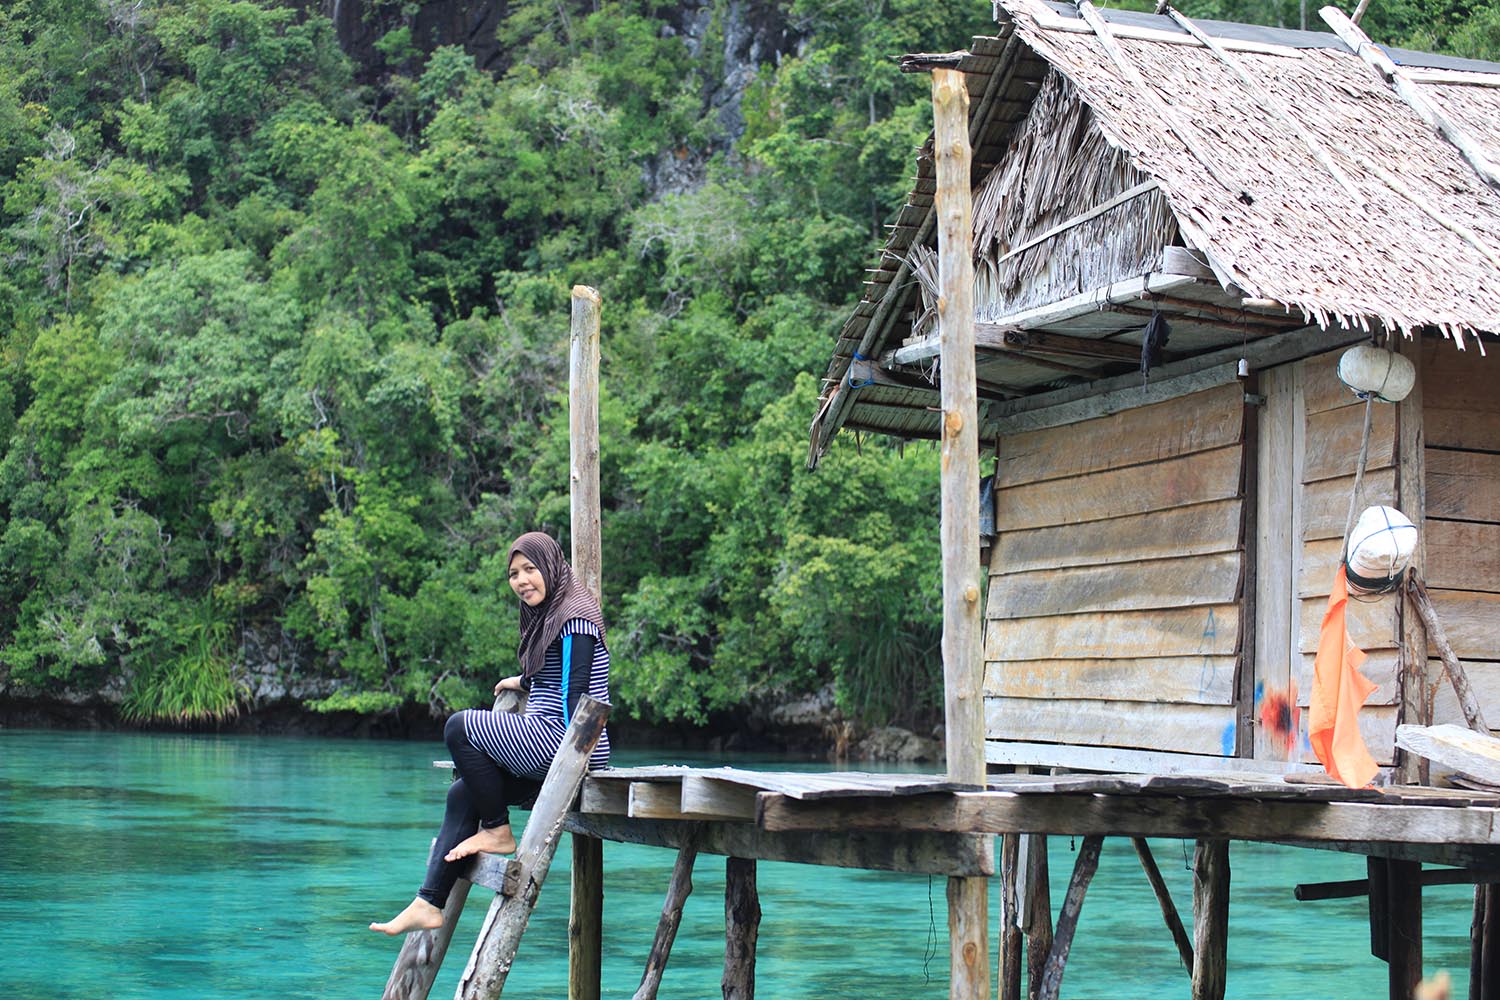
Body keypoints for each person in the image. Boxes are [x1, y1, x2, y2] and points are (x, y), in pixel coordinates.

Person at [370, 531, 611, 935]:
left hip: (569, 745)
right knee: (462, 792)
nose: (522, 580)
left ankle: (497, 830)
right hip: (554, 742)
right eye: (514, 573)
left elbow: (577, 695)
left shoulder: (576, 618)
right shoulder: (553, 613)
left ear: (551, 567)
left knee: (458, 728)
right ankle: (428, 901)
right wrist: (523, 680)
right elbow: (557, 676)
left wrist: (573, 767)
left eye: (530, 569)